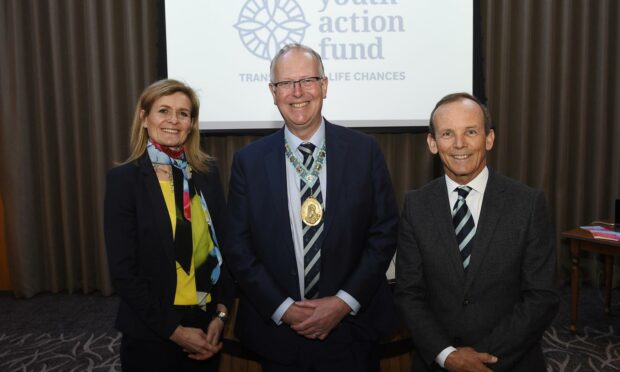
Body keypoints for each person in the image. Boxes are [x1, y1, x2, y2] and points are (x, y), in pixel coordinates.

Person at [224, 43, 399, 371]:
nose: (297, 92)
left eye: (308, 80)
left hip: (352, 333)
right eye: (286, 84)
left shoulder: (365, 152)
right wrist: (284, 309)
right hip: (278, 337)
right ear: (273, 93)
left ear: (325, 85)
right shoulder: (248, 162)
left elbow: (384, 233)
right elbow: (237, 247)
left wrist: (343, 303)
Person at [394, 92, 559, 372]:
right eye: (447, 133)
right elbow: (409, 293)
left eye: (470, 132)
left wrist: (482, 357)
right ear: (432, 143)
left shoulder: (528, 203)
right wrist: (448, 356)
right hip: (437, 361)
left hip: (509, 362)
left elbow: (541, 296)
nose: (460, 144)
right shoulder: (416, 205)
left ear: (489, 138)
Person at [104, 79, 234, 371]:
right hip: (151, 331)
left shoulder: (206, 173)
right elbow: (123, 271)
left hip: (205, 325)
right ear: (144, 117)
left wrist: (221, 314)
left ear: (192, 123)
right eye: (163, 110)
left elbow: (222, 247)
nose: (173, 120)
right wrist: (175, 331)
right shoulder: (125, 180)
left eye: (183, 113)